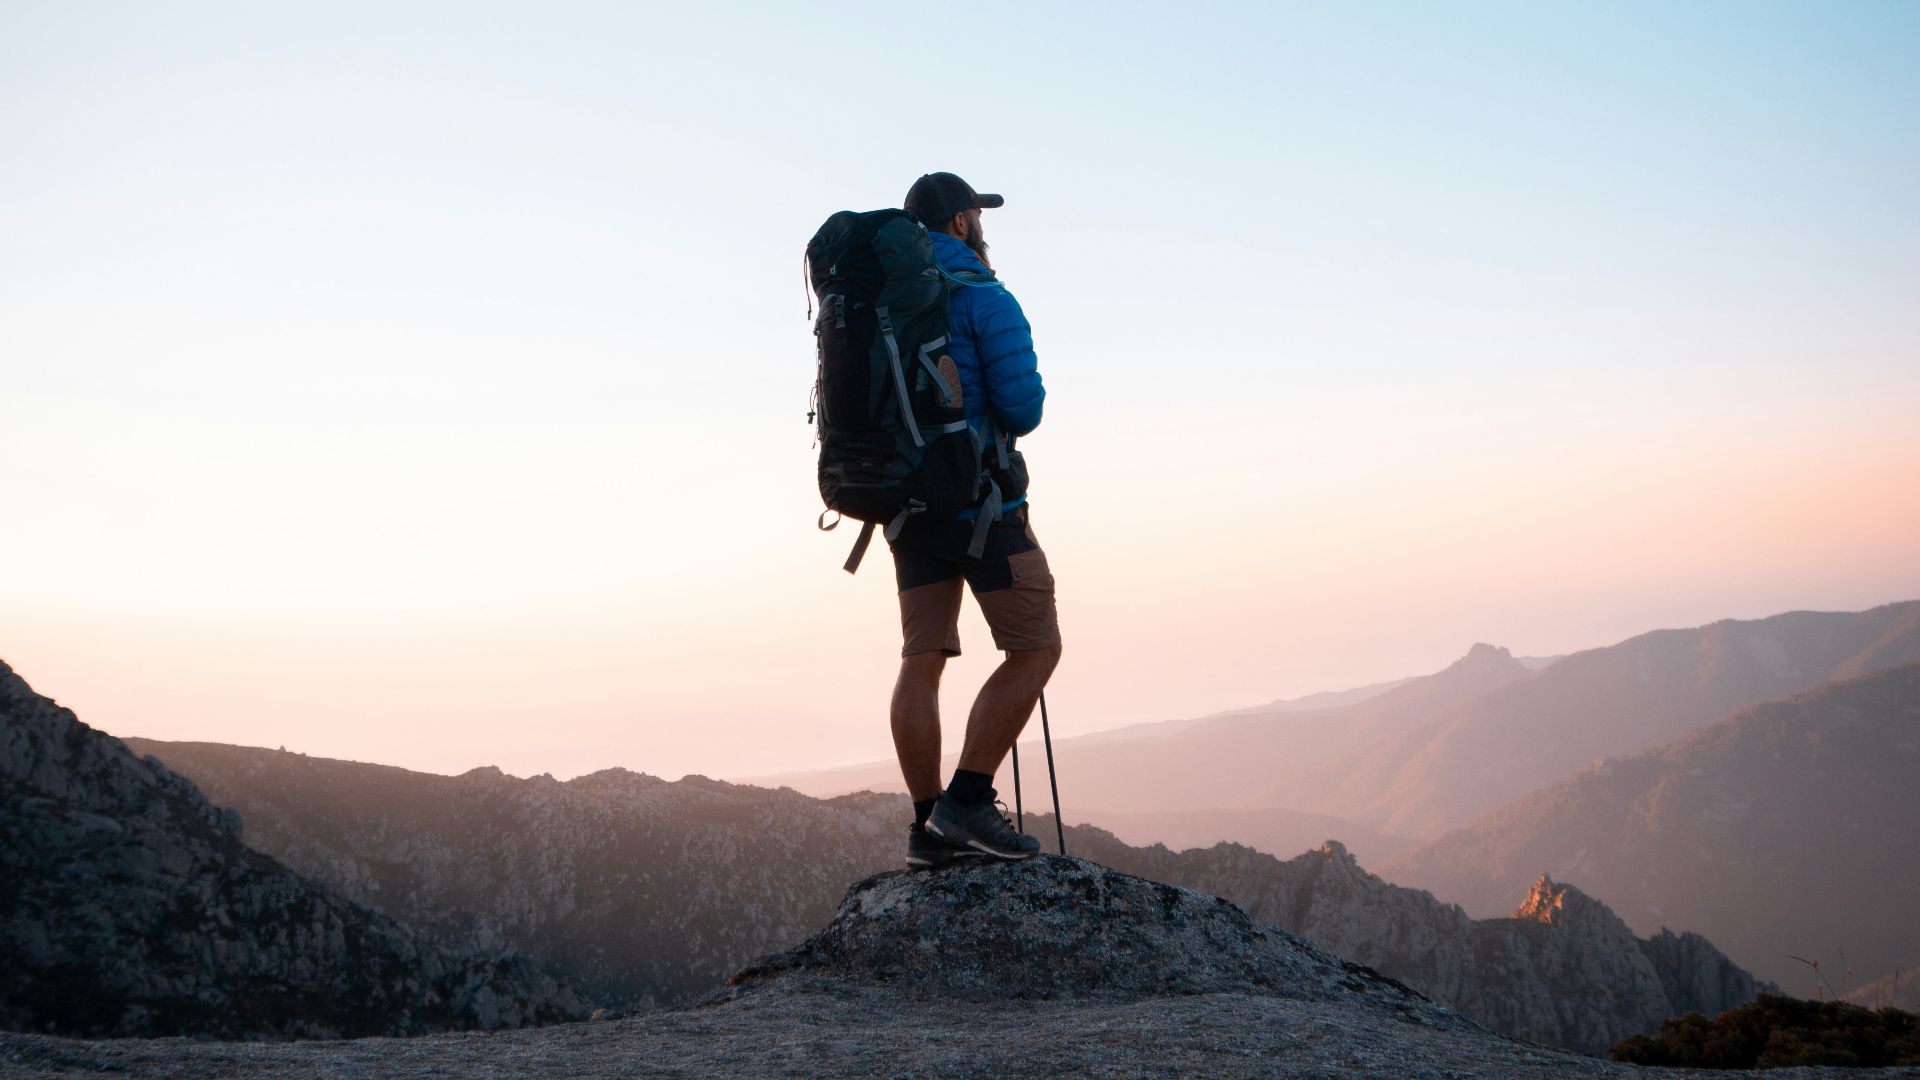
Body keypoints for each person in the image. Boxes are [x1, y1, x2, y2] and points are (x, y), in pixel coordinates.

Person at [890, 172, 1062, 867]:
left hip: (905, 508)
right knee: (1035, 647)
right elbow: (1022, 410)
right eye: (974, 214)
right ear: (960, 223)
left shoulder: (885, 301)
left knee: (921, 659)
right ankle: (966, 801)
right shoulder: (985, 297)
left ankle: (927, 824)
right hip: (983, 504)